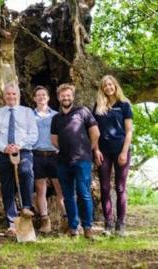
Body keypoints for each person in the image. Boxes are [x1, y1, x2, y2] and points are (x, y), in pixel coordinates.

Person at [50, 83, 100, 239]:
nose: (66, 98)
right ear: (59, 98)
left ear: (72, 96)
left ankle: (88, 227)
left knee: (84, 193)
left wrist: (87, 149)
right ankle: (73, 227)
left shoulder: (83, 112)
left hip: (82, 160)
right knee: (68, 196)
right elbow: (54, 140)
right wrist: (66, 149)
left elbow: (95, 133)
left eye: (68, 95)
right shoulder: (56, 118)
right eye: (63, 95)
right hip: (63, 162)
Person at [0, 83, 38, 237]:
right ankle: (11, 221)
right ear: (4, 96)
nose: (11, 97)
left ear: (18, 96)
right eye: (8, 94)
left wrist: (19, 146)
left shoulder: (27, 112)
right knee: (7, 184)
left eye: (14, 94)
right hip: (3, 152)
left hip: (23, 150)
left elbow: (33, 134)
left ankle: (26, 208)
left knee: (26, 172)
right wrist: (5, 147)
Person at [92, 75, 133, 237]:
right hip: (103, 152)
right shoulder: (98, 106)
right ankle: (108, 223)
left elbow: (129, 131)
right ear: (102, 89)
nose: (108, 87)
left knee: (120, 187)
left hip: (121, 150)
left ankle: (120, 224)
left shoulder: (124, 105)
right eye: (105, 86)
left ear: (115, 86)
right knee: (104, 188)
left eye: (110, 84)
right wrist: (95, 150)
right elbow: (93, 131)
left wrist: (124, 151)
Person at [32, 86, 66, 234]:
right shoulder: (30, 115)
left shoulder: (57, 115)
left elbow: (64, 134)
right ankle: (45, 221)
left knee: (60, 189)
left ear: (48, 97)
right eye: (38, 95)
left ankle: (67, 219)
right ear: (34, 98)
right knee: (40, 190)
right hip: (37, 155)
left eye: (44, 95)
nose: (41, 97)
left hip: (54, 155)